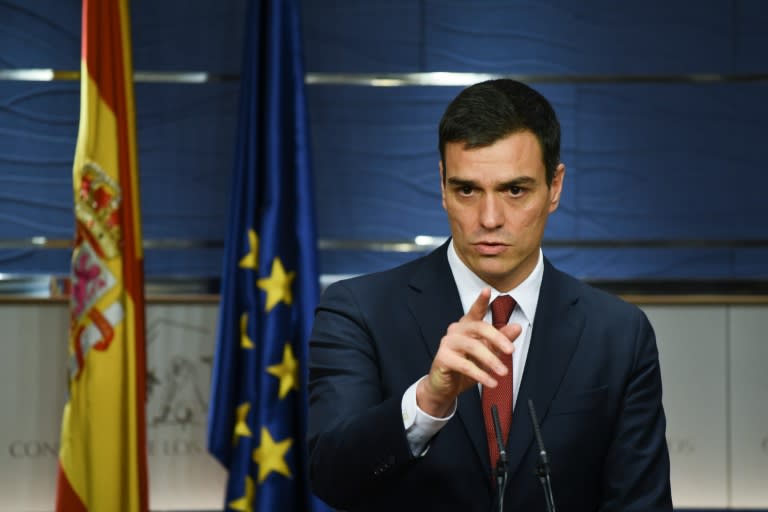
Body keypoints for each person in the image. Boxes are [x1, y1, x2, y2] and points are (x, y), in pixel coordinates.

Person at [307, 79, 672, 511]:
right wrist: (428, 401)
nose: (490, 218)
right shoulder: (359, 312)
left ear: (555, 187)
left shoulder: (618, 336)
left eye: (514, 190)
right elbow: (331, 477)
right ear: (442, 184)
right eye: (467, 190)